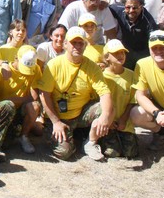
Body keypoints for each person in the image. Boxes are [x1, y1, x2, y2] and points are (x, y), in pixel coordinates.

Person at [35, 27, 114, 161]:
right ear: (65, 44)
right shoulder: (53, 65)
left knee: (108, 109)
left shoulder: (92, 67)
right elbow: (44, 95)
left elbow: (104, 92)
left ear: (85, 45)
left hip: (80, 114)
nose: (77, 46)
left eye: (80, 43)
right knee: (64, 153)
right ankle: (72, 135)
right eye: (73, 43)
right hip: (58, 116)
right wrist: (55, 122)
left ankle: (91, 142)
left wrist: (105, 116)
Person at [130, 30, 164, 150]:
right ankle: (161, 134)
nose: (158, 51)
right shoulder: (142, 65)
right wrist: (157, 113)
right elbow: (140, 95)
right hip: (161, 107)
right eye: (154, 48)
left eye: (163, 47)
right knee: (136, 114)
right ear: (149, 49)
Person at [0, 49, 42, 154]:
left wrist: (14, 100)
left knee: (34, 107)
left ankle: (24, 136)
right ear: (16, 58)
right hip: (5, 110)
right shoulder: (2, 71)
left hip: (21, 107)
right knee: (6, 144)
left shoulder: (36, 69)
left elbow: (34, 97)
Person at [99, 40, 139, 158]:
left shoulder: (131, 75)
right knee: (112, 153)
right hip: (107, 123)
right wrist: (108, 120)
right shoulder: (101, 76)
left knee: (131, 153)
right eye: (116, 53)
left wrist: (123, 119)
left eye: (123, 52)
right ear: (107, 57)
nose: (121, 55)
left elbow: (133, 100)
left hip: (124, 121)